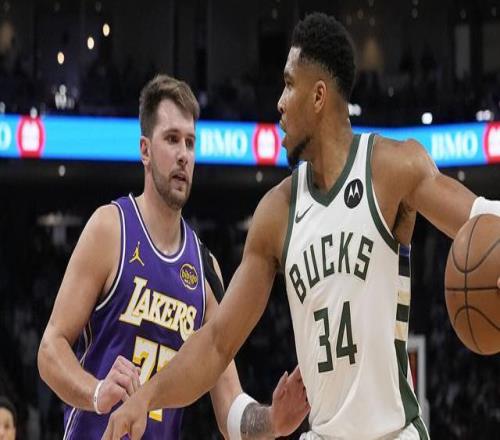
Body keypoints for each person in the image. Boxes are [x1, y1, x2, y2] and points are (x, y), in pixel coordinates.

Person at [103, 13, 500, 440]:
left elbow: (481, 217)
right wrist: (147, 397)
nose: (279, 102)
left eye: (289, 85)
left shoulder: (392, 167)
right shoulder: (276, 212)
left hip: (394, 432)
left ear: (318, 96)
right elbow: (217, 342)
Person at [37, 74, 309, 439]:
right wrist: (97, 393)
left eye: (190, 142)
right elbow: (50, 350)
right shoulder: (111, 228)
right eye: (171, 139)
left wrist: (273, 420)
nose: (183, 154)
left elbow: (230, 405)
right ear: (145, 151)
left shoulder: (205, 268)